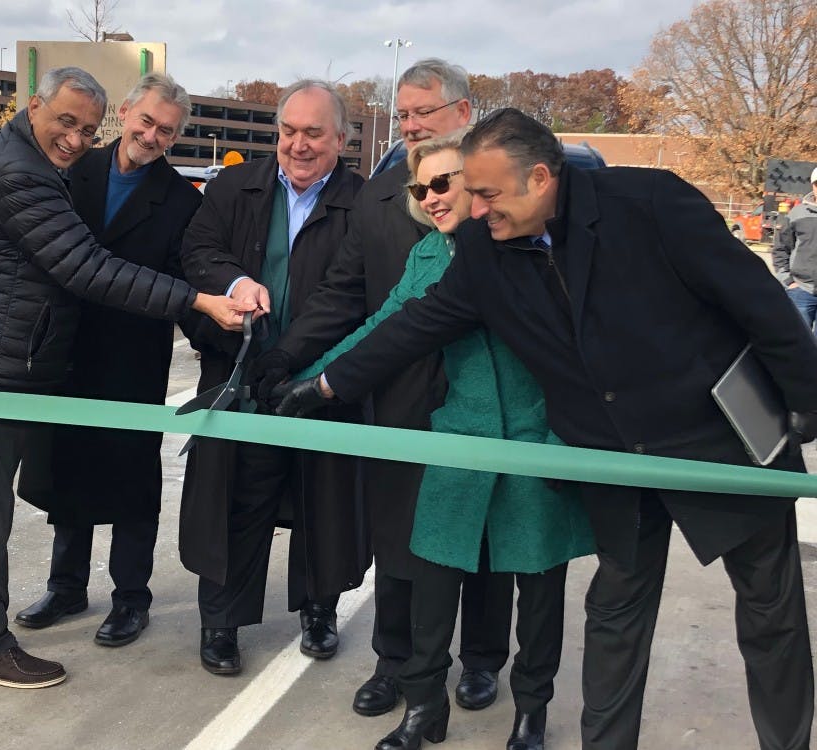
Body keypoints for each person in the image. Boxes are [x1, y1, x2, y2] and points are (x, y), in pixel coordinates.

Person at [277, 108, 817, 750]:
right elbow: (415, 324)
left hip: (721, 441)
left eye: (485, 193)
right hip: (612, 457)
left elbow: (757, 300)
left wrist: (804, 399)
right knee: (615, 617)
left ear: (539, 178)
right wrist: (323, 386)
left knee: (769, 615)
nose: (473, 210)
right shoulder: (484, 249)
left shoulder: (650, 204)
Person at [0, 66, 251, 689]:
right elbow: (85, 265)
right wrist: (199, 303)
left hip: (52, 358)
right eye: (66, 121)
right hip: (0, 362)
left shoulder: (55, 166)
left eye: (84, 128)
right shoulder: (26, 172)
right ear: (34, 105)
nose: (74, 137)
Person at [289, 132, 595, 750]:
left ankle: (531, 714)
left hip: (538, 442)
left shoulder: (533, 247)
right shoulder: (429, 257)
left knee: (539, 589)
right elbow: (386, 327)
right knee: (431, 578)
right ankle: (424, 708)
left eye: (444, 182)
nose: (431, 198)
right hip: (458, 438)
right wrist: (304, 379)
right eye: (419, 188)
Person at [250, 59, 515, 719]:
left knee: (486, 544)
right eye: (402, 114)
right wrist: (288, 361)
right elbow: (346, 296)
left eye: (424, 111)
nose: (412, 124)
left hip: (491, 408)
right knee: (399, 542)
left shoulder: (498, 194)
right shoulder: (379, 195)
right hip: (396, 399)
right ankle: (395, 664)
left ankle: (482, 661)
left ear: (463, 112)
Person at [178, 79, 368, 676]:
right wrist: (234, 284)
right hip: (241, 377)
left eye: (314, 133)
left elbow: (351, 294)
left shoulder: (363, 203)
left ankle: (319, 609)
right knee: (238, 498)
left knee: (322, 500)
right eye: (289, 131)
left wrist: (295, 357)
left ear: (341, 137)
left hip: (321, 383)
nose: (299, 144)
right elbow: (199, 250)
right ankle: (222, 621)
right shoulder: (235, 186)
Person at [13, 73, 203, 648]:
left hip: (132, 359)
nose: (151, 136)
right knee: (67, 470)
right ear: (125, 112)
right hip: (67, 351)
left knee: (130, 482)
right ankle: (67, 585)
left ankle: (131, 597)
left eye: (166, 131)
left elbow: (184, 279)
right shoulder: (71, 171)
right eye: (146, 121)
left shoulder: (180, 201)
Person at [773, 166, 817, 333]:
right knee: (800, 344)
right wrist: (788, 281)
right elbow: (780, 248)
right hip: (801, 291)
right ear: (813, 186)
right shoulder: (797, 214)